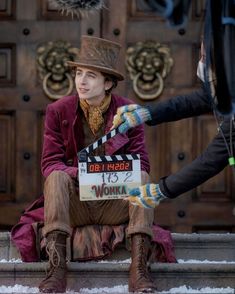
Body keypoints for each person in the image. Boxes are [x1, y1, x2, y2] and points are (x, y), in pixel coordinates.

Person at [38, 35, 157, 293]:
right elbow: (49, 164)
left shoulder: (128, 111)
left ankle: (139, 270)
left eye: (90, 75)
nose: (81, 81)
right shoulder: (58, 110)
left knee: (144, 180)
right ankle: (56, 269)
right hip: (76, 203)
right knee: (56, 177)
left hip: (113, 201)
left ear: (108, 83)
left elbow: (142, 164)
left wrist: (108, 173)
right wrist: (84, 173)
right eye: (79, 73)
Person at [112, 41, 234, 208]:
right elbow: (198, 100)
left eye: (205, 58)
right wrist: (146, 113)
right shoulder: (223, 87)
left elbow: (211, 160)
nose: (201, 64)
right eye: (201, 55)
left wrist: (162, 190)